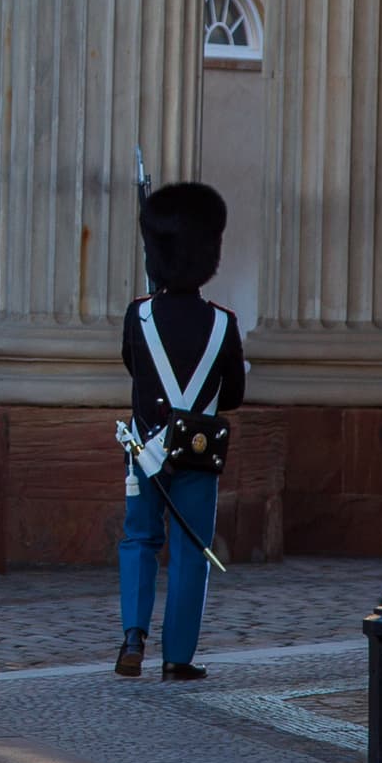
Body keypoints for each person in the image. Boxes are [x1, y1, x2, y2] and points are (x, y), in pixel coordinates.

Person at [117, 180, 246, 681]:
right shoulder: (223, 323)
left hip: (145, 447)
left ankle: (133, 636)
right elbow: (233, 394)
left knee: (139, 540)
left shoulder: (139, 314)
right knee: (192, 549)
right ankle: (178, 657)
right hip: (197, 452)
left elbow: (133, 367)